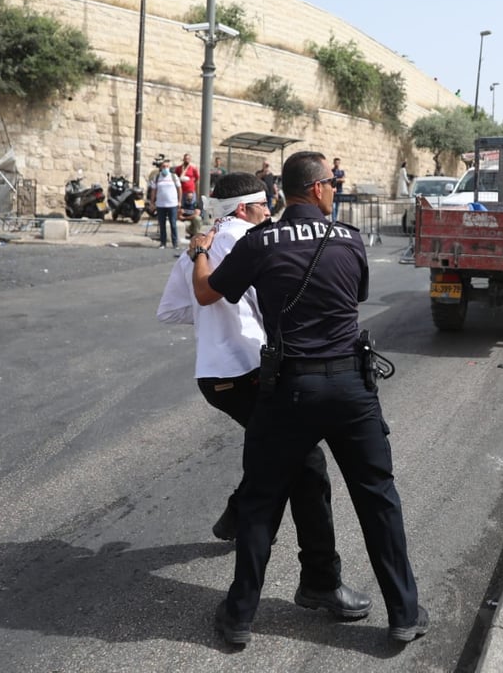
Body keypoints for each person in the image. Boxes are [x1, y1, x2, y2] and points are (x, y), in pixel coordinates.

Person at [190, 150, 428, 647]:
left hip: (288, 389)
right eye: (333, 184)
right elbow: (357, 294)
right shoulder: (349, 238)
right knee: (378, 499)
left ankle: (238, 619)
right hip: (350, 388)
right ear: (318, 188)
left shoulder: (260, 241)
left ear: (288, 191)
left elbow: (212, 291)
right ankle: (403, 613)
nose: (335, 191)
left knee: (260, 500)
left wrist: (199, 251)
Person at [186, 172, 366, 626]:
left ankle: (274, 585)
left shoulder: (230, 241)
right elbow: (206, 296)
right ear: (245, 208)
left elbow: (180, 305)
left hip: (236, 372)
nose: (269, 212)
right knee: (298, 469)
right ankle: (305, 587)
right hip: (242, 373)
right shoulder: (245, 240)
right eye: (263, 206)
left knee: (290, 465)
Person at [148, 157, 180, 249]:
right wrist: (152, 202)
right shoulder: (157, 177)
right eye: (163, 166)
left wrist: (179, 201)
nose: (165, 168)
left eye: (167, 166)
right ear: (161, 167)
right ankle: (163, 243)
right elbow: (153, 190)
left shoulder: (174, 177)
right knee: (162, 224)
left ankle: (175, 243)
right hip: (161, 204)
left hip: (172, 204)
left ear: (169, 167)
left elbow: (179, 189)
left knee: (173, 224)